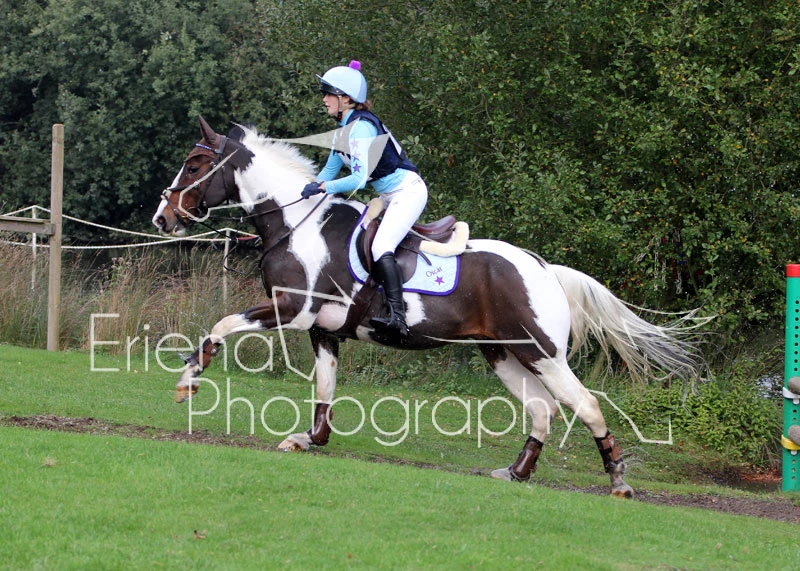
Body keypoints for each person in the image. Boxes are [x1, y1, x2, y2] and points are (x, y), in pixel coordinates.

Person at [301, 61, 428, 337]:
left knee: (381, 245)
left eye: (329, 94)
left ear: (346, 99)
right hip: (388, 196)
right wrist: (306, 190)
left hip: (408, 192)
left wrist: (322, 187)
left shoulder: (361, 129)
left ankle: (398, 318)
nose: (324, 100)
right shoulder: (343, 131)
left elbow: (358, 179)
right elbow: (329, 173)